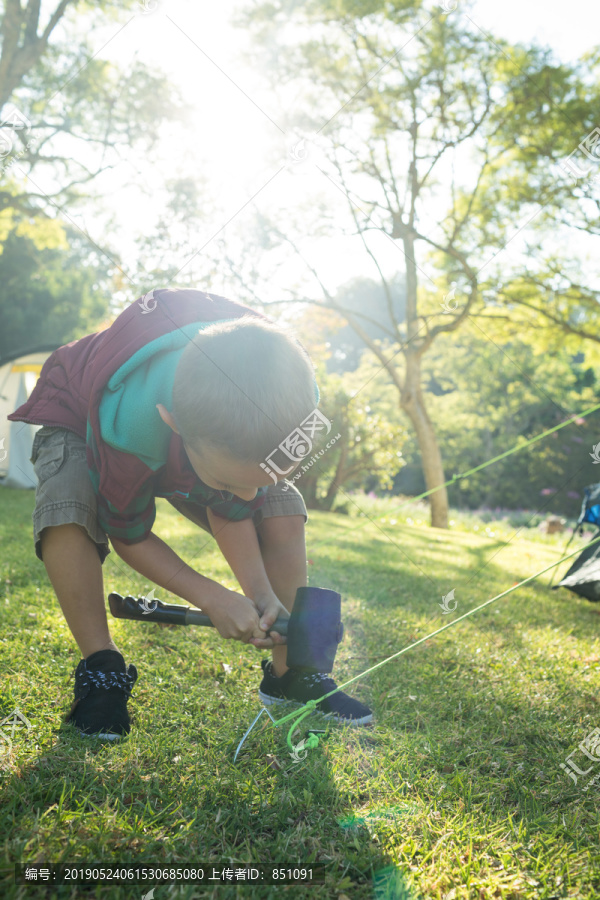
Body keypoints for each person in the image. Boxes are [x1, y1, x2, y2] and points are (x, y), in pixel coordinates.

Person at [8, 288, 372, 740]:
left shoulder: (295, 397)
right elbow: (130, 535)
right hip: (82, 413)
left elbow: (236, 502)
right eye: (230, 483)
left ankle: (291, 673)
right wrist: (212, 597)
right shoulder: (131, 423)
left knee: (277, 504)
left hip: (203, 429)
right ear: (175, 426)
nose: (245, 496)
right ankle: (101, 667)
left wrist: (260, 595)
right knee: (69, 507)